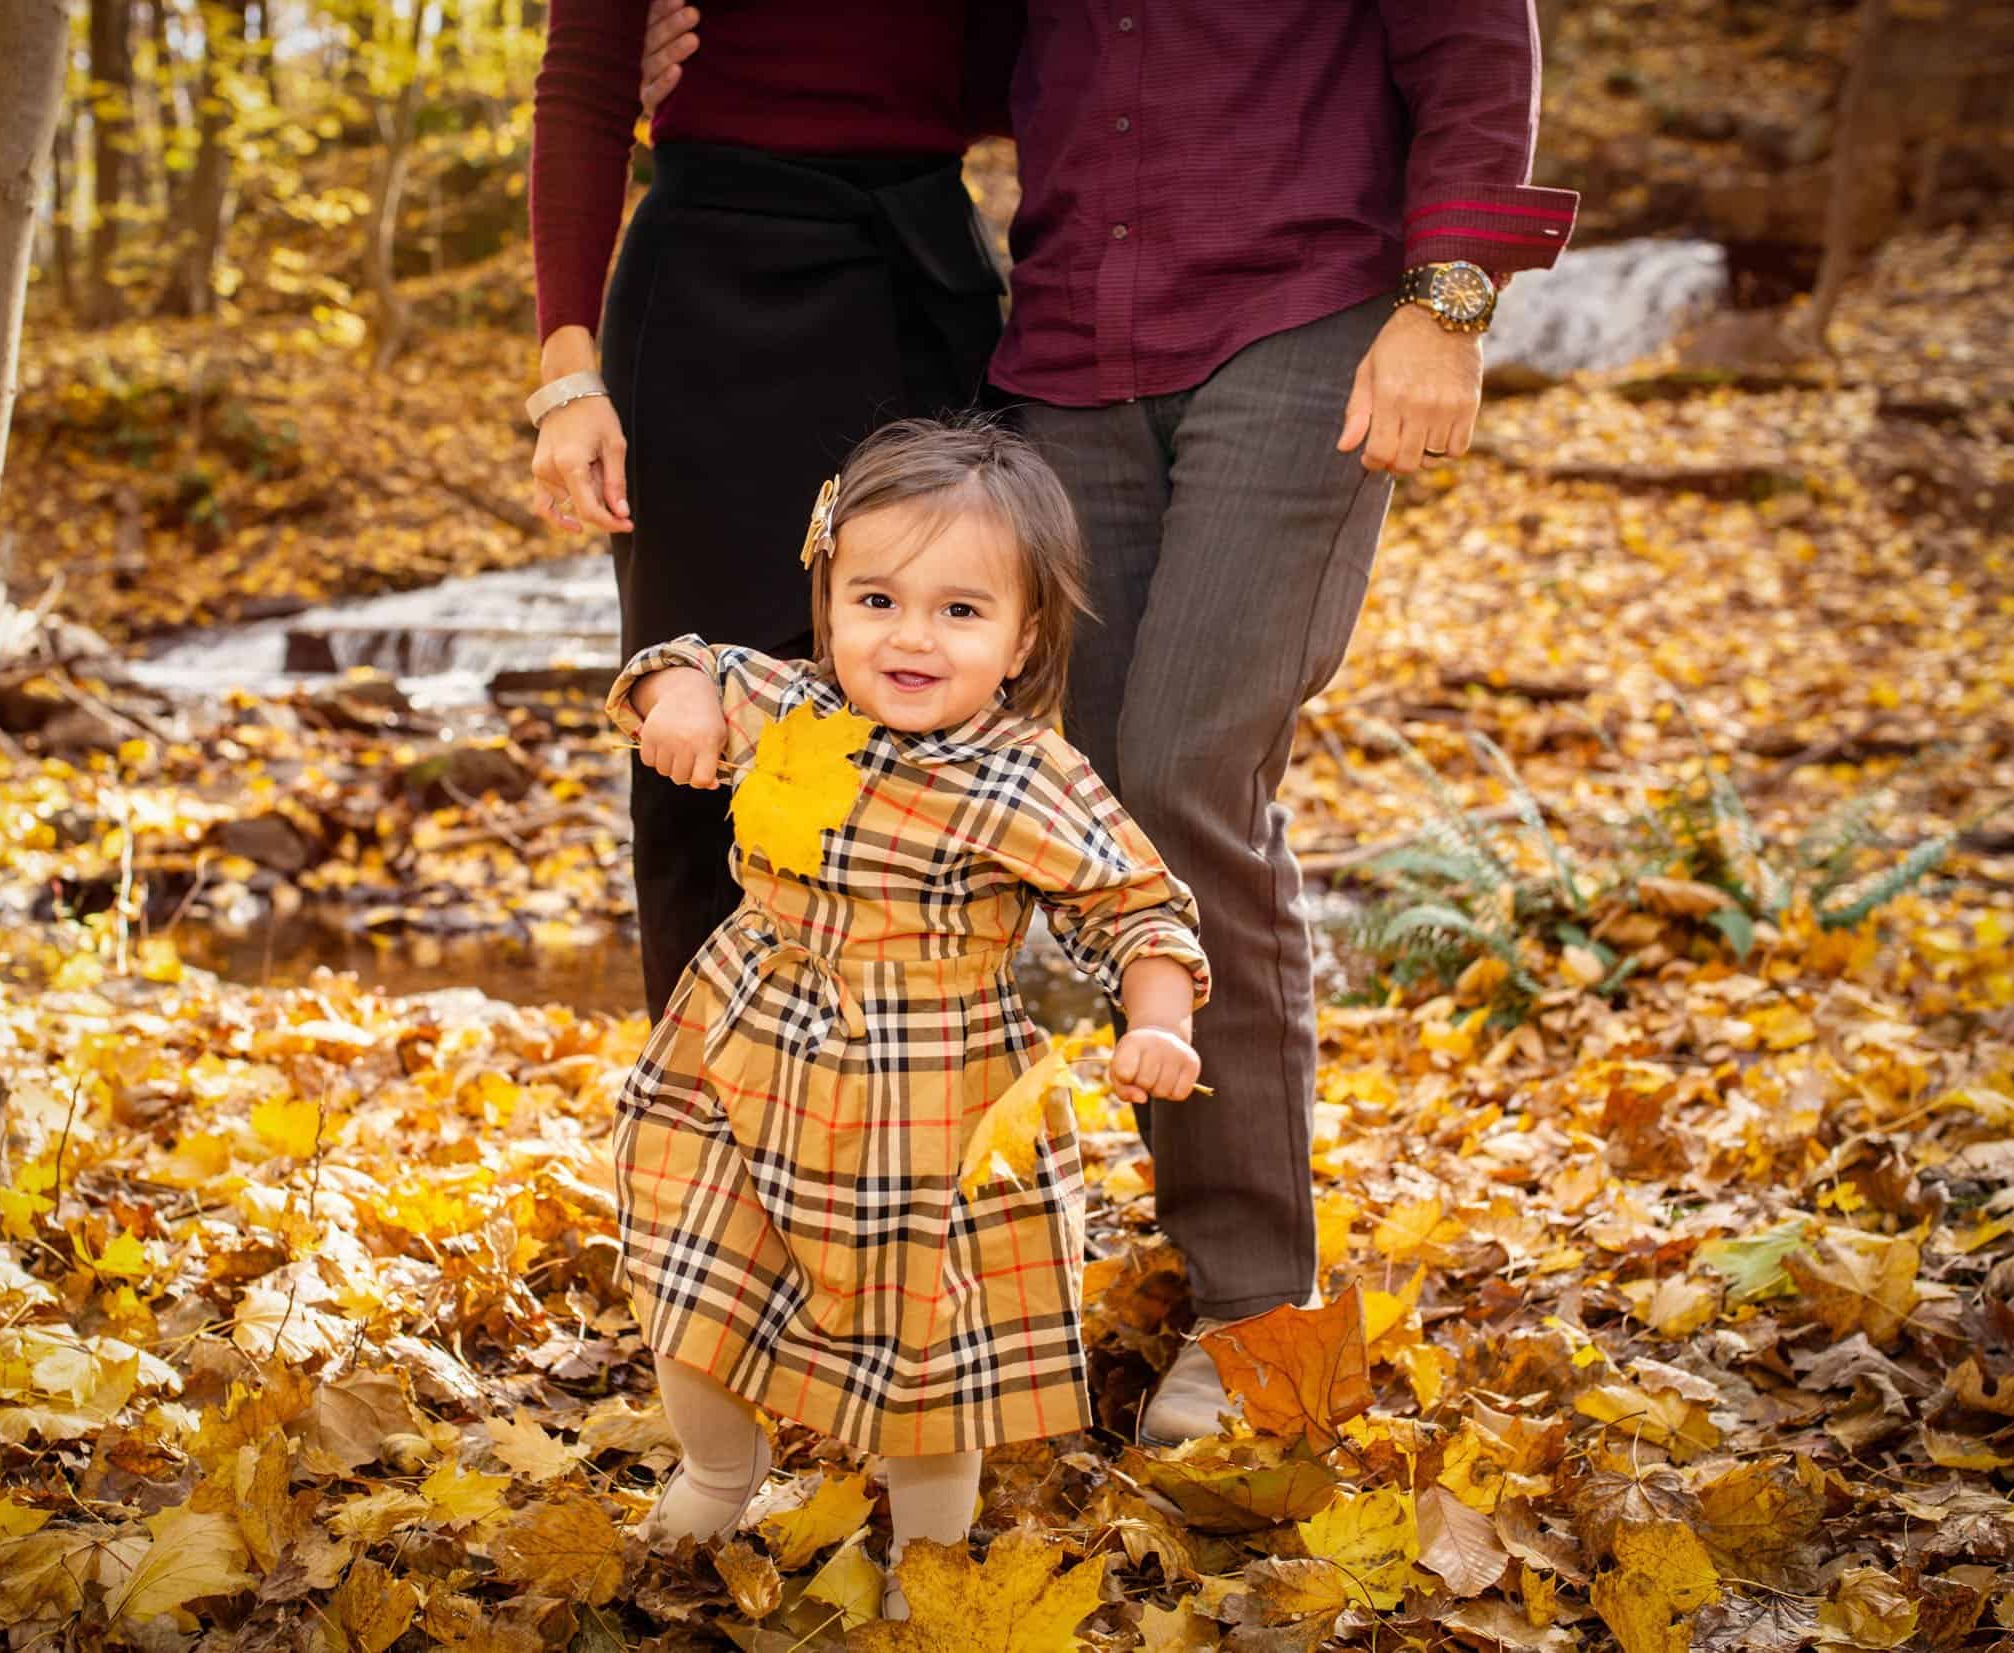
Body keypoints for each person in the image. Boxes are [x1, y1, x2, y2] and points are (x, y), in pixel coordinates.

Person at [638, 0, 1579, 1448]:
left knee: (1188, 770)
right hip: (1067, 349)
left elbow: (1468, 42)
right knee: (1044, 782)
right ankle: (869, 1247)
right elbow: (947, 60)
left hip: (1300, 323)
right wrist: (693, 72)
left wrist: (1448, 302)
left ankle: (1262, 1311)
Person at [604, 419, 1209, 1604]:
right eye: (875, 598)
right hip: (744, 1052)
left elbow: (1139, 907)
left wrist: (1160, 1020)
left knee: (924, 1346)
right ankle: (720, 1473)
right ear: (827, 597)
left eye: (960, 612)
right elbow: (678, 663)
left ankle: (924, 1550)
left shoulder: (1027, 776)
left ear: (1024, 634)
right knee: (693, 1278)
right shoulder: (787, 703)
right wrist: (674, 699)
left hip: (928, 1089)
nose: (910, 637)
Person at [526, 1, 1020, 1020]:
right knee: (693, 725)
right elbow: (581, 84)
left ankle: (907, 1103)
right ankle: (705, 1121)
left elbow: (1024, 61)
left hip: (924, 278)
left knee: (934, 706)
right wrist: (567, 376)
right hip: (712, 287)